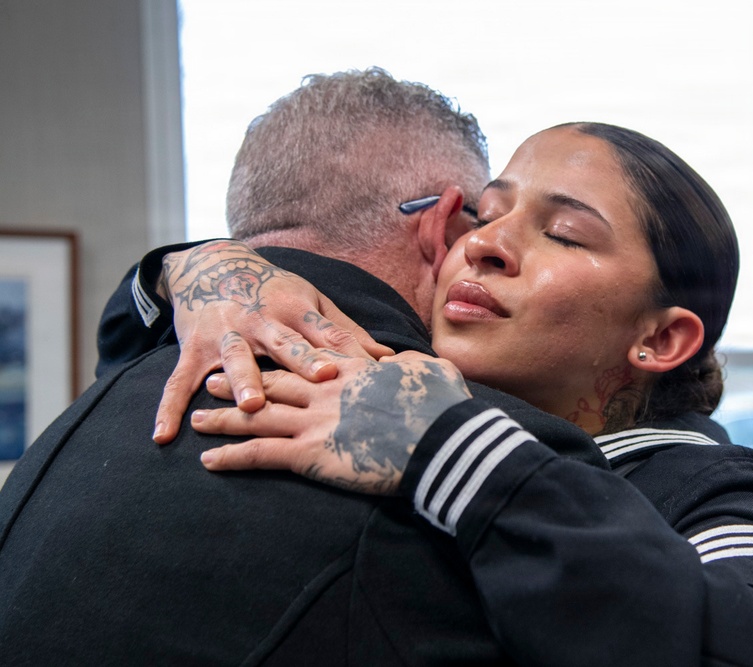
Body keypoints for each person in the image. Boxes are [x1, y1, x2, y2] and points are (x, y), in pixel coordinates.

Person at [103, 122, 753, 664]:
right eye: (488, 214)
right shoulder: (377, 391)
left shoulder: (710, 487)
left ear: (660, 340)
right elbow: (125, 361)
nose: (483, 244)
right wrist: (190, 271)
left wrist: (454, 448)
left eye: (563, 233)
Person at [0, 68, 639, 665]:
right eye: (485, 219)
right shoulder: (505, 449)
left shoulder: (100, 404)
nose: (487, 249)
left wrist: (183, 263)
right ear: (442, 229)